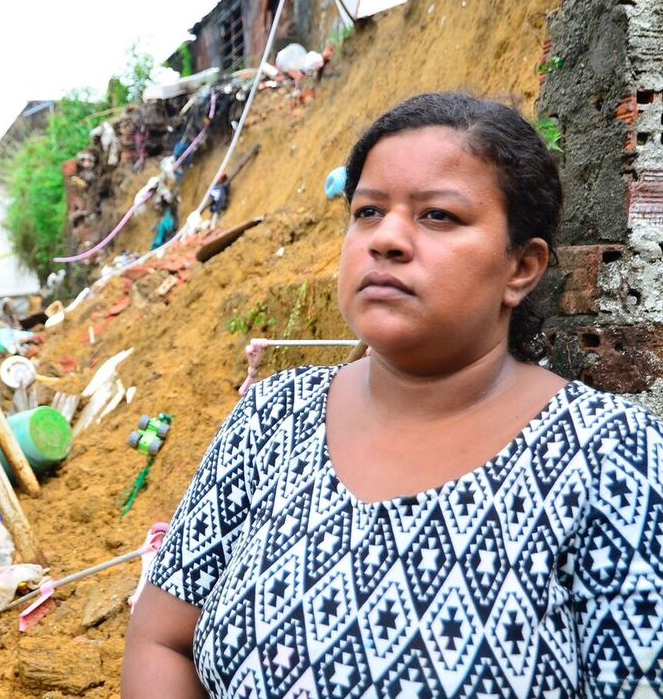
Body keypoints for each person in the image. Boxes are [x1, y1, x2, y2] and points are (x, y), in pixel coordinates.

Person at [123, 92, 663, 698]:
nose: (386, 240)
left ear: (521, 268)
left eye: (438, 216)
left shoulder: (612, 457)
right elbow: (161, 640)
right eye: (369, 211)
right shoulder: (271, 418)